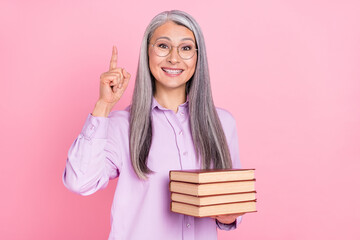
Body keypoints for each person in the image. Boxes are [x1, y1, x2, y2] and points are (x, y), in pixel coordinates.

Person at [63, 10, 245, 240]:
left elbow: (232, 201)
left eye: (186, 48)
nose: (174, 58)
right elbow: (79, 181)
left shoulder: (223, 123)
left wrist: (228, 214)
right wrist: (103, 106)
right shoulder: (122, 126)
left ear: (198, 57)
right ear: (147, 52)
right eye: (163, 46)